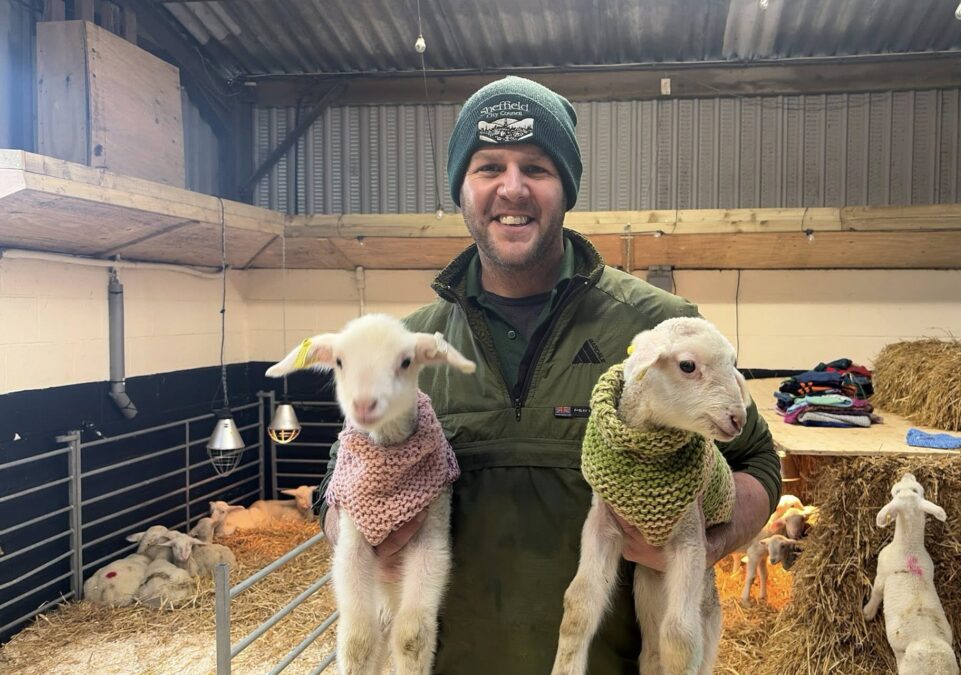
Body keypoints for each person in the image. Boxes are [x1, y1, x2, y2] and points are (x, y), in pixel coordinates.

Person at [316, 75, 780, 674]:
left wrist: (702, 545)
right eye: (488, 166)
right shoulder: (406, 348)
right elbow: (340, 477)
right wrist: (354, 534)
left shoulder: (656, 331)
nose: (512, 188)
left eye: (536, 167)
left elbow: (758, 464)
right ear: (461, 186)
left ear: (566, 188)